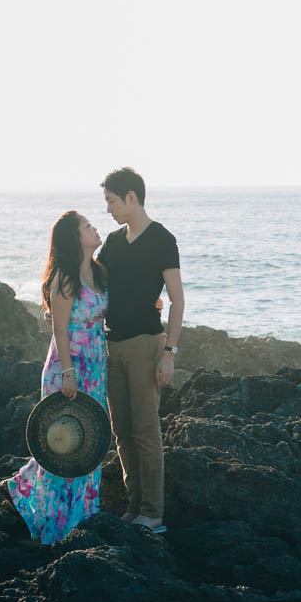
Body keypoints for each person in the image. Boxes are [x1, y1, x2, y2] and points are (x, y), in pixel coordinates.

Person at [2, 211, 109, 544]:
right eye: (87, 227)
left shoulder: (98, 271)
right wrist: (68, 373)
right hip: (70, 366)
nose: (95, 228)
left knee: (90, 442)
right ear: (74, 238)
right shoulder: (64, 278)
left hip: (96, 367)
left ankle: (81, 516)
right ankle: (58, 528)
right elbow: (60, 329)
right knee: (64, 446)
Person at [97, 167, 183, 534]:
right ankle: (134, 507)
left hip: (146, 346)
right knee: (121, 430)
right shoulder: (113, 242)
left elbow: (177, 300)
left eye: (112, 202)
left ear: (131, 197)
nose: (109, 210)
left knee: (146, 430)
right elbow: (95, 284)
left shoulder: (162, 239)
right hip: (111, 345)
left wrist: (169, 352)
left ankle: (154, 512)